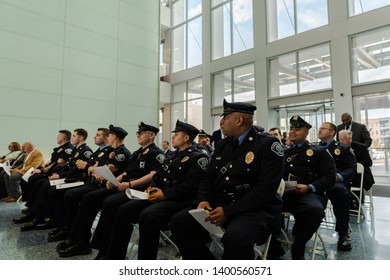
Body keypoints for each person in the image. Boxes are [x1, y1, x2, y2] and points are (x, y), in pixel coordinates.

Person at [170, 99, 284, 260]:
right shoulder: (223, 144)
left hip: (255, 209)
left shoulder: (267, 145)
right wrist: (203, 199)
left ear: (239, 120)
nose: (221, 122)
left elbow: (264, 190)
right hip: (222, 204)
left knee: (235, 237)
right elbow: (208, 178)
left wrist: (228, 211)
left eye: (225, 117)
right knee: (180, 222)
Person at [92, 120, 209, 260]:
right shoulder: (172, 156)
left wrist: (164, 194)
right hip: (158, 195)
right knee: (124, 210)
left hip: (178, 199)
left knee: (147, 215)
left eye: (176, 134)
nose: (172, 137)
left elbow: (190, 185)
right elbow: (158, 176)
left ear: (186, 138)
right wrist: (153, 187)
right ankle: (114, 257)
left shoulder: (197, 157)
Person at [56, 123, 161, 258]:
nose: (138, 136)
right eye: (138, 133)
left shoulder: (153, 153)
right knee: (90, 199)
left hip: (137, 190)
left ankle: (103, 249)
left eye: (141, 133)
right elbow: (125, 172)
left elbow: (153, 175)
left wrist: (128, 183)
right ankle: (85, 241)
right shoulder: (137, 153)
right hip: (122, 186)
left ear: (152, 136)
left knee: (106, 202)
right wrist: (116, 180)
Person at [269, 115, 336, 260]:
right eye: (291, 128)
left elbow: (330, 177)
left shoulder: (319, 151)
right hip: (283, 195)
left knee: (314, 211)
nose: (292, 131)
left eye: (297, 129)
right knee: (257, 207)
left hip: (308, 194)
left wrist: (310, 187)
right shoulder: (283, 152)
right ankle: (273, 247)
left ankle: (298, 245)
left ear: (306, 132)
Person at [12, 129, 92, 231]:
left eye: (74, 136)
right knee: (42, 183)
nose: (72, 138)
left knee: (46, 185)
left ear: (81, 138)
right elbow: (66, 166)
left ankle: (42, 217)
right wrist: (57, 174)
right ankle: (36, 214)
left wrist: (59, 175)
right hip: (67, 176)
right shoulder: (76, 150)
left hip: (76, 180)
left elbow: (76, 171)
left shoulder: (85, 151)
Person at [46, 128, 113, 242]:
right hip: (86, 180)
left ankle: (70, 230)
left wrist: (87, 167)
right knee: (53, 189)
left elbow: (92, 169)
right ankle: (65, 226)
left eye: (98, 135)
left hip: (88, 182)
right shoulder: (98, 151)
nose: (94, 137)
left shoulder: (104, 152)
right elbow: (86, 167)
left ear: (107, 138)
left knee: (69, 195)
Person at [318, 122, 357, 251]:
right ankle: (303, 227)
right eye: (320, 128)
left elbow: (352, 170)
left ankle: (343, 233)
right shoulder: (313, 149)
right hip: (318, 183)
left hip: (335, 183)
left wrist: (337, 177)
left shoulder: (343, 149)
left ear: (332, 132)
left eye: (323, 128)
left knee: (341, 193)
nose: (320, 130)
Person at [339, 130, 375, 204]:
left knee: (351, 181)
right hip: (347, 175)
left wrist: (354, 164)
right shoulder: (339, 148)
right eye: (340, 139)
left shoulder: (361, 147)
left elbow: (369, 163)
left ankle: (355, 202)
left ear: (350, 139)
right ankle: (345, 203)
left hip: (361, 176)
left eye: (343, 139)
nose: (341, 142)